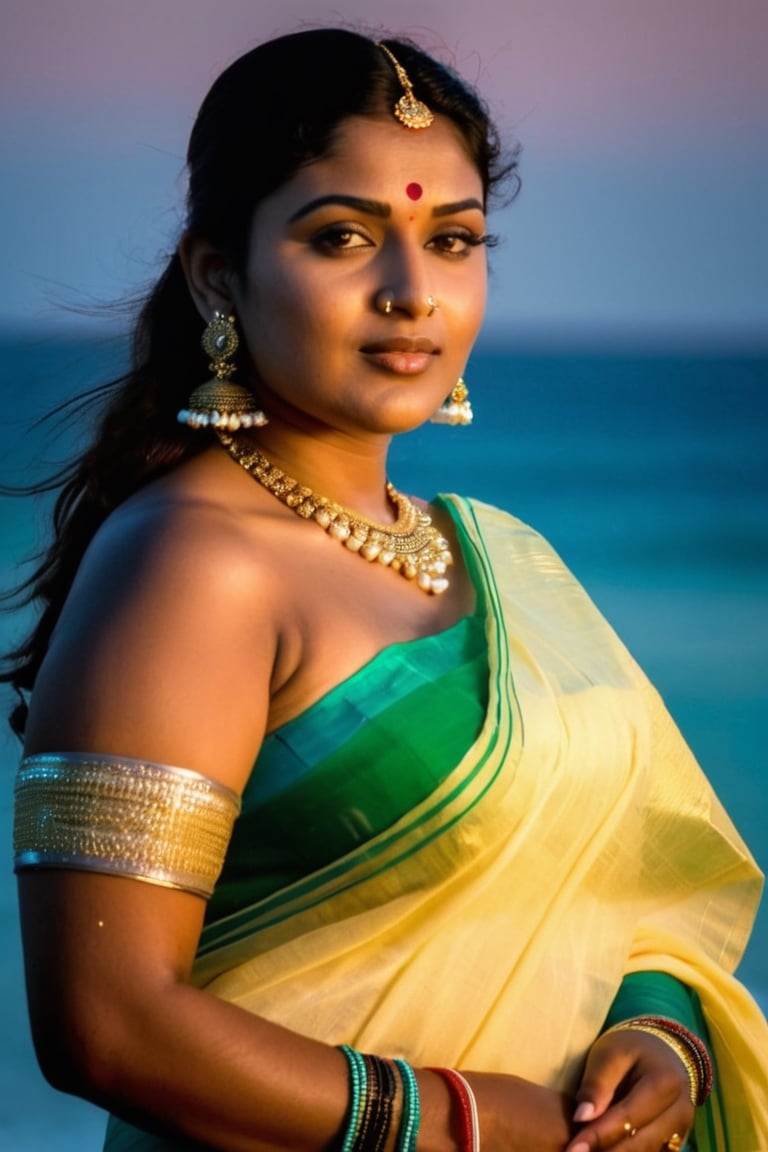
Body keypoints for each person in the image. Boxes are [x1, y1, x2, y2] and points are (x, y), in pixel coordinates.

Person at [5, 27, 768, 1152]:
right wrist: (459, 1122)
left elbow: (636, 892)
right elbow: (107, 1026)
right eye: (344, 237)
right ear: (221, 274)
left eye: (453, 240)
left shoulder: (501, 554)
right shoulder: (190, 563)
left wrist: (663, 1038)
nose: (413, 292)